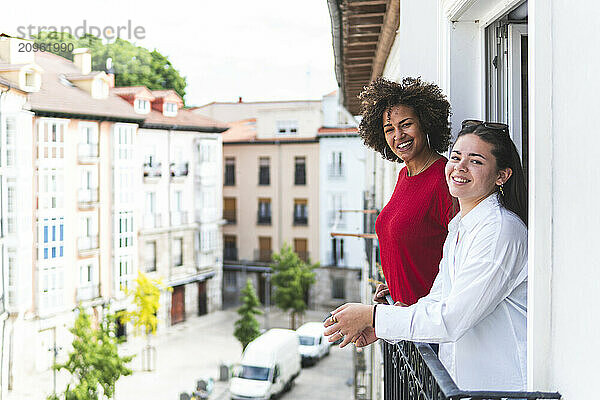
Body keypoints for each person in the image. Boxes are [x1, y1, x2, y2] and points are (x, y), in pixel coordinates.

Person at [324, 120, 528, 391]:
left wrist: (373, 316)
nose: (460, 167)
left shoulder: (500, 231)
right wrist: (384, 326)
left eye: (476, 161)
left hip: (501, 388)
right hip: (464, 387)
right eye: (456, 157)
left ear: (501, 175)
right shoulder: (461, 227)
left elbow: (450, 319)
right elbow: (437, 299)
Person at [358, 77, 456, 308]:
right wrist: (395, 286)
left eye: (406, 124)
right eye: (389, 129)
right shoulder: (404, 175)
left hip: (429, 327)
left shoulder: (444, 180)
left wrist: (422, 304)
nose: (397, 135)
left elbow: (461, 261)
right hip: (403, 321)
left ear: (425, 122)